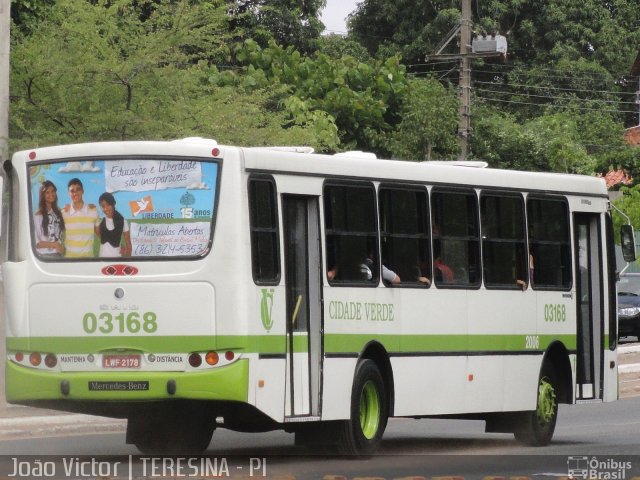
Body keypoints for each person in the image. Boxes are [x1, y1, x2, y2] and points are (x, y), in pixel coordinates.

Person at [62, 178, 99, 258]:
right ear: (69, 193)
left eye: (78, 189)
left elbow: (100, 233)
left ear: (83, 191)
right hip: (69, 261)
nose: (75, 193)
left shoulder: (93, 211)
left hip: (88, 260)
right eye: (72, 191)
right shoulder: (64, 213)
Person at [33, 180, 65, 256]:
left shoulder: (59, 213)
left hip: (58, 255)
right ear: (42, 195)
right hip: (45, 257)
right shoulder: (37, 216)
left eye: (53, 191)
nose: (51, 194)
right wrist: (54, 245)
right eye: (47, 192)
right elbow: (36, 243)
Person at [95, 192, 131, 257]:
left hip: (117, 260)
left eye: (108, 205)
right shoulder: (100, 220)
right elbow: (99, 234)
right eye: (103, 206)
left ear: (113, 204)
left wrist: (127, 260)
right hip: (101, 261)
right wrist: (121, 244)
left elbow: (128, 245)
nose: (106, 209)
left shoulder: (123, 221)